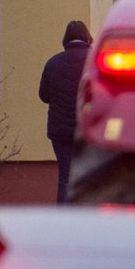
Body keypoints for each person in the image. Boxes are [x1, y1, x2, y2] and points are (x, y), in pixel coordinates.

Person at [38, 22, 91, 203]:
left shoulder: (53, 63)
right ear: (87, 37)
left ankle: (63, 221)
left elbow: (44, 96)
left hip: (61, 132)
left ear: (66, 39)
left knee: (65, 179)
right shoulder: (95, 61)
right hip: (88, 131)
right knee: (91, 177)